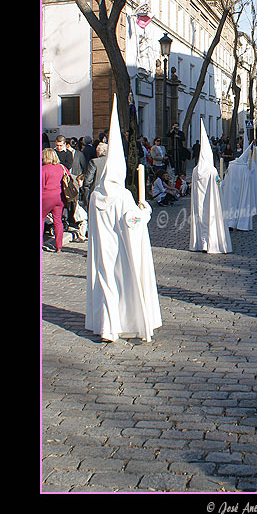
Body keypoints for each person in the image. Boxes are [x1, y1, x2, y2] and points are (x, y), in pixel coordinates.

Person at [86, 94, 162, 343]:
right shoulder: (122, 196)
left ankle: (106, 326)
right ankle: (120, 323)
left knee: (105, 283)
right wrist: (145, 210)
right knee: (120, 285)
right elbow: (134, 223)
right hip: (120, 250)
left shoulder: (96, 196)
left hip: (103, 251)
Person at [189, 118, 232, 254]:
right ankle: (209, 242)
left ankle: (201, 243)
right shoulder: (212, 171)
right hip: (210, 201)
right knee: (210, 219)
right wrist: (222, 183)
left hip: (199, 201)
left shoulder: (196, 170)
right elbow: (218, 183)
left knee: (200, 219)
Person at [42, 148, 66, 253]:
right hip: (59, 197)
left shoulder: (43, 169)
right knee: (58, 221)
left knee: (41, 219)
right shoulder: (61, 168)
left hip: (46, 198)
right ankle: (59, 246)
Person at [81, 142, 108, 210]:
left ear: (98, 152)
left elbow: (88, 180)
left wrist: (86, 190)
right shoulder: (113, 162)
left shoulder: (94, 162)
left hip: (96, 192)